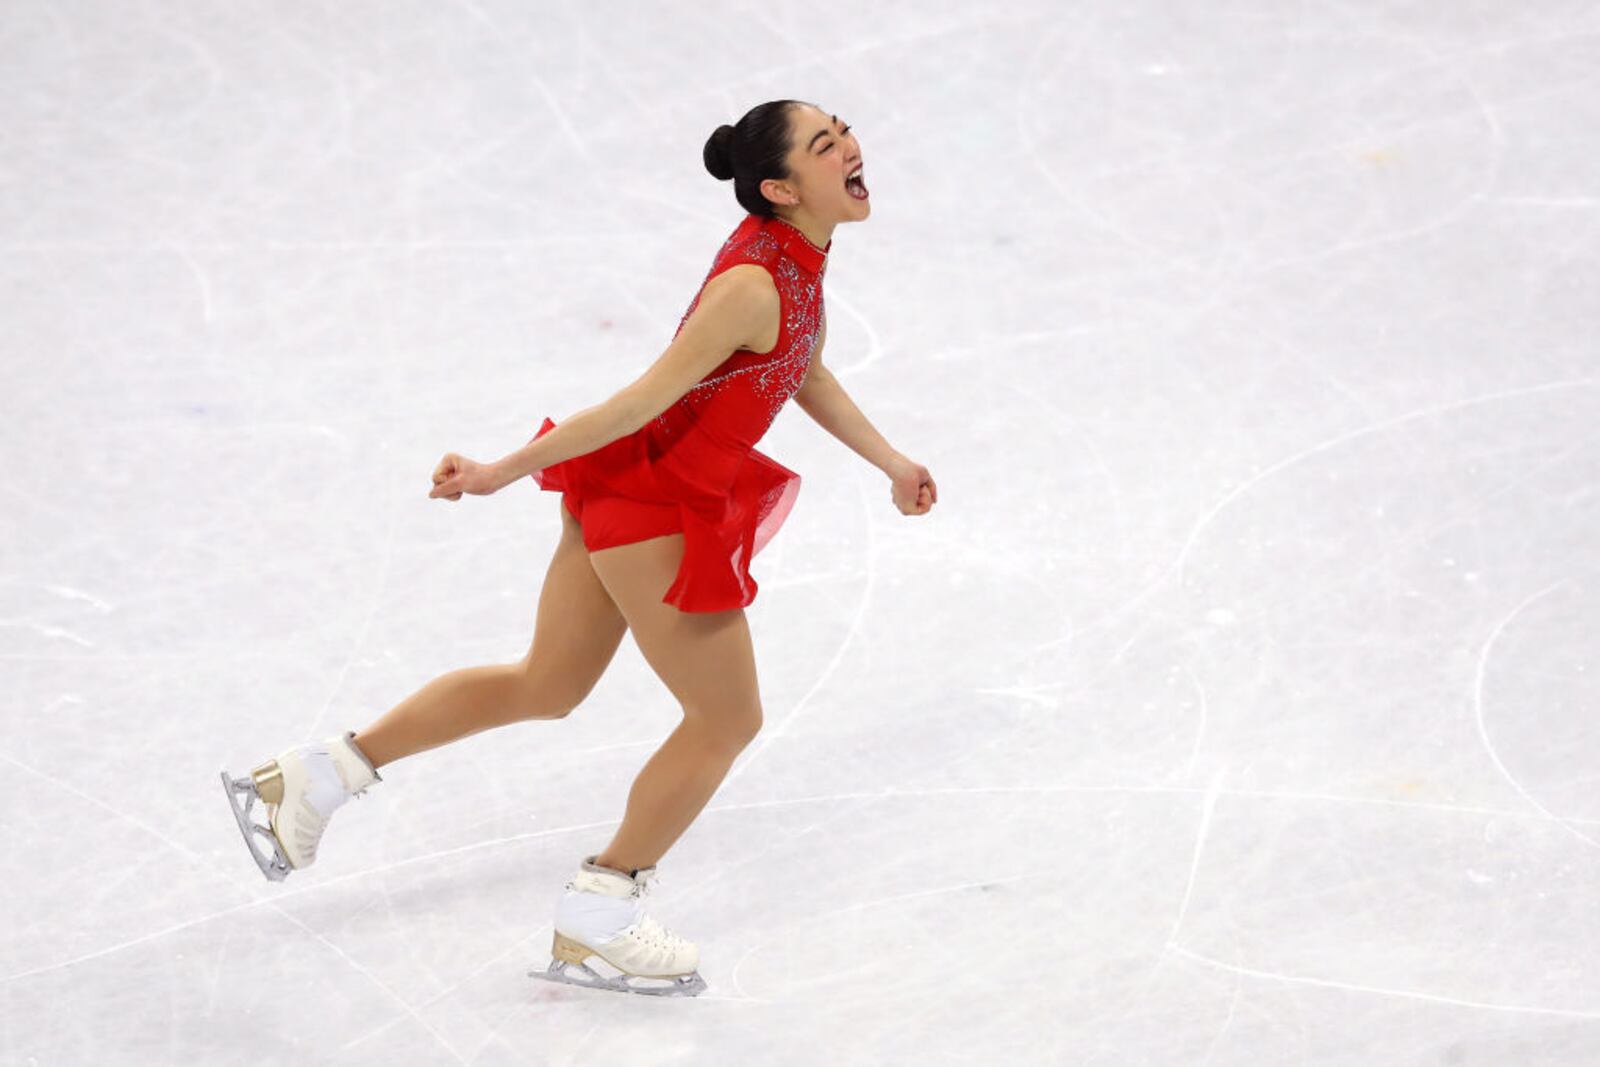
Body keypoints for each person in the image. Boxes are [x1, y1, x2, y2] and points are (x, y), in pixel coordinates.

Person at [220, 99, 938, 997]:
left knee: (545, 685)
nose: (851, 147)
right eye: (825, 146)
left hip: (632, 491)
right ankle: (600, 911)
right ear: (782, 188)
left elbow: (805, 371)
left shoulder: (798, 268)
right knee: (727, 719)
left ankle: (313, 777)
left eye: (844, 130)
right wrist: (499, 470)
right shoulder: (752, 284)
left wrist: (891, 461)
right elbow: (636, 401)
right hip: (656, 504)